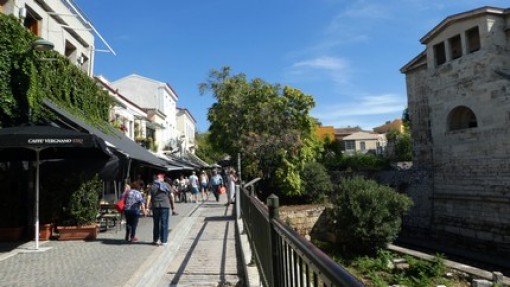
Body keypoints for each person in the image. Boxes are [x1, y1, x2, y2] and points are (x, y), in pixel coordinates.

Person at [148, 173, 172, 246]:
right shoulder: (167, 185)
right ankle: (164, 241)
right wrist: (173, 206)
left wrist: (147, 207)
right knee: (164, 223)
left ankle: (156, 240)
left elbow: (149, 197)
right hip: (165, 206)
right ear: (162, 179)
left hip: (155, 206)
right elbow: (171, 196)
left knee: (156, 223)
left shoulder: (152, 186)